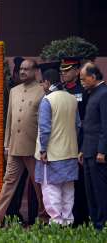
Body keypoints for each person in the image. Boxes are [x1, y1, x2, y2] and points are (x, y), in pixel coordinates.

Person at [0, 59, 45, 223]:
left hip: (32, 148)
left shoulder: (42, 91)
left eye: (27, 69)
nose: (23, 72)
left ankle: (44, 217)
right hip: (14, 147)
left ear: (35, 71)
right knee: (8, 182)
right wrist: (6, 145)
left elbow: (44, 123)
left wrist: (42, 147)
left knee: (39, 185)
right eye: (21, 69)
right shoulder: (14, 90)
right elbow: (9, 120)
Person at [35, 64, 80, 225]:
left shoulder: (47, 100)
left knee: (50, 189)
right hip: (71, 152)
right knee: (68, 189)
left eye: (42, 82)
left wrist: (43, 150)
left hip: (52, 154)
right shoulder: (72, 99)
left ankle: (56, 221)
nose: (41, 85)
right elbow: (77, 125)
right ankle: (68, 219)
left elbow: (45, 129)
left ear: (47, 82)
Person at [60, 56, 89, 226]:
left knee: (80, 183)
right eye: (62, 70)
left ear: (77, 71)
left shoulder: (83, 91)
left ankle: (81, 218)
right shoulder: (59, 90)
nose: (64, 73)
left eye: (68, 70)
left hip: (79, 141)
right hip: (63, 143)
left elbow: (87, 121)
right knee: (65, 182)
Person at [79, 62, 107, 230]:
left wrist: (102, 151)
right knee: (90, 191)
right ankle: (95, 223)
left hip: (98, 153)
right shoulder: (92, 93)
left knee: (100, 190)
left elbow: (105, 126)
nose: (81, 82)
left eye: (84, 79)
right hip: (89, 150)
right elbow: (89, 125)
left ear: (93, 77)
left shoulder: (104, 94)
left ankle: (102, 224)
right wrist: (82, 149)